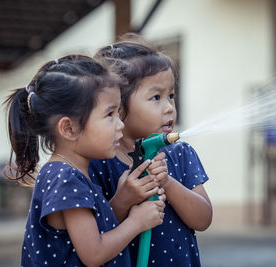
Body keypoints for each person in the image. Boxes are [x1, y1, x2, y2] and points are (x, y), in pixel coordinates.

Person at [4, 54, 166, 266]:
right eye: (109, 115)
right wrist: (136, 222)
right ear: (69, 128)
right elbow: (94, 253)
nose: (120, 125)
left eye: (118, 113)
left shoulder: (71, 173)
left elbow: (92, 232)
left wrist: (124, 200)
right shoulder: (65, 177)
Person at [89, 33, 213, 266]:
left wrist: (167, 182)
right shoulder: (99, 161)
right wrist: (123, 201)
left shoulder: (180, 153)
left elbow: (203, 219)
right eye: (156, 97)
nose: (169, 108)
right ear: (118, 106)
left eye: (172, 96)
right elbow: (94, 236)